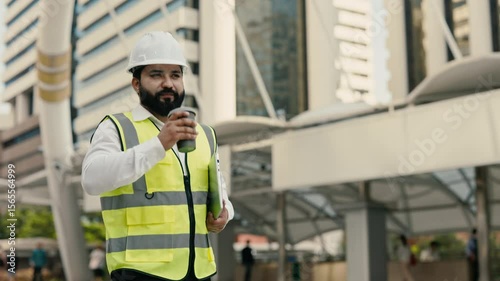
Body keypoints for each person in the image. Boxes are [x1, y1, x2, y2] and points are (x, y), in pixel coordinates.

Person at [81, 31, 234, 281]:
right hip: (140, 273)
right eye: (156, 74)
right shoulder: (116, 127)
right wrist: (160, 144)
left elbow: (220, 192)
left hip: (199, 272)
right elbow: (92, 180)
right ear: (136, 84)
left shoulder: (205, 134)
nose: (168, 83)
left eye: (175, 74)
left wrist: (225, 213)